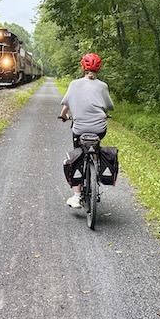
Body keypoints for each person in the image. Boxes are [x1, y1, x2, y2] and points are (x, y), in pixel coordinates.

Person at [59, 53, 114, 208]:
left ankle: (76, 196)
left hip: (79, 129)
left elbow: (66, 105)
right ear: (99, 68)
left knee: (78, 153)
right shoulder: (103, 86)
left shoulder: (74, 84)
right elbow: (109, 106)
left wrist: (64, 116)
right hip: (99, 129)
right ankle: (95, 161)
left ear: (83, 67)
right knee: (95, 144)